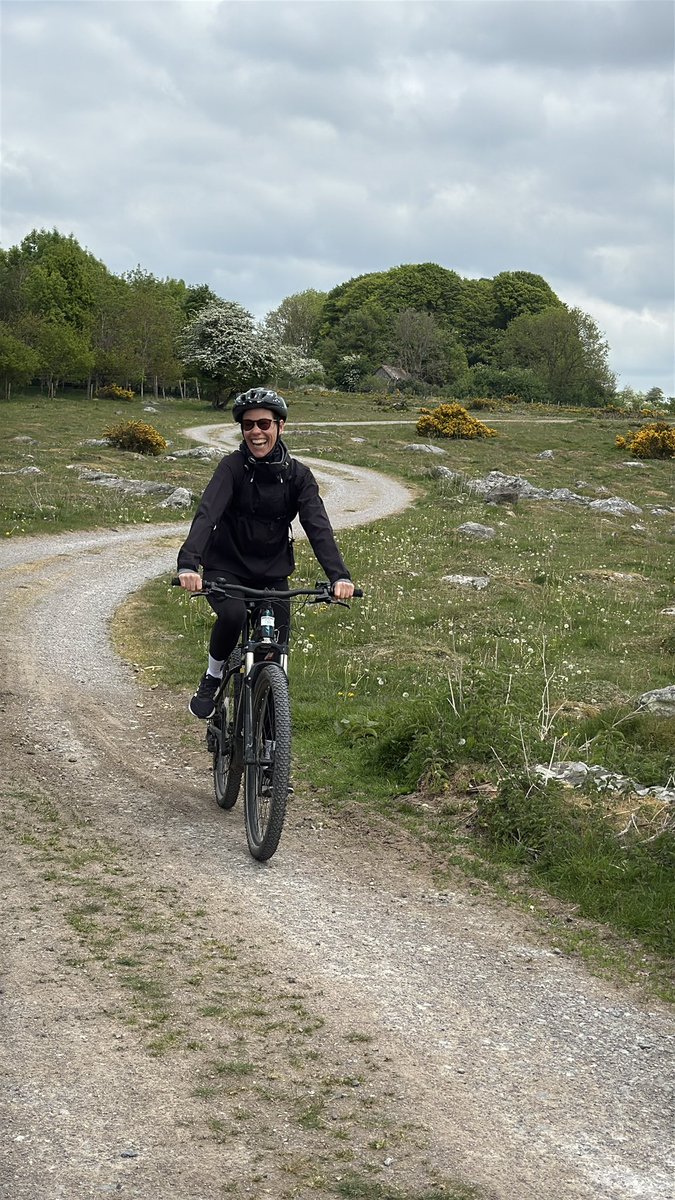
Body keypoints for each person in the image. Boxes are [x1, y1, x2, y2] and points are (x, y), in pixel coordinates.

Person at [177, 386, 355, 718]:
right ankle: (214, 676)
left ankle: (271, 731)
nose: (256, 433)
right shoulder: (231, 468)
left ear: (280, 426)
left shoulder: (299, 476)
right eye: (248, 425)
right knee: (231, 616)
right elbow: (207, 514)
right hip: (226, 566)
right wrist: (189, 563)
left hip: (273, 571)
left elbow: (318, 527)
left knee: (276, 645)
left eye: (263, 424)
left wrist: (339, 575)